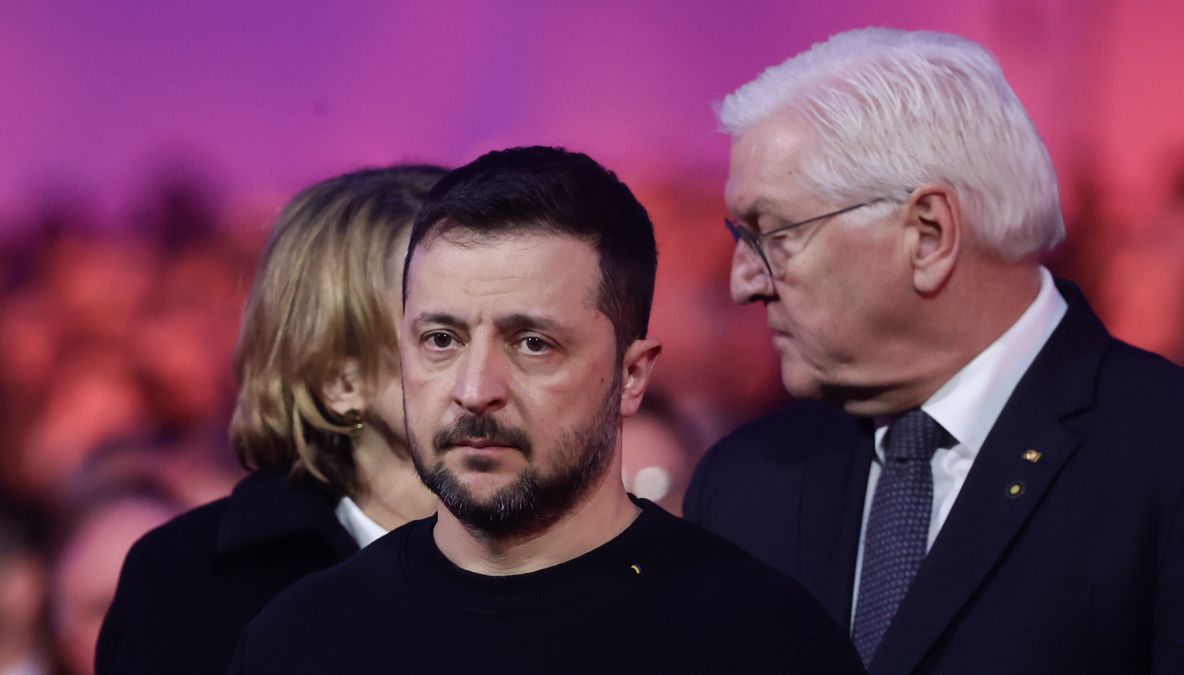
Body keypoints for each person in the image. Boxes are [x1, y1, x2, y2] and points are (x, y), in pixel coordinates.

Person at [229, 146, 866, 674]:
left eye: (533, 344)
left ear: (631, 376)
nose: (475, 388)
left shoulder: (761, 643)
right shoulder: (298, 642)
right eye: (442, 340)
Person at [684, 28, 1184, 675]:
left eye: (773, 234)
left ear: (927, 234)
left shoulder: (1178, 457)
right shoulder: (743, 483)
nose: (742, 283)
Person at [95, 164, 446, 675]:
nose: (488, 367)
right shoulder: (186, 585)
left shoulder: (563, 557)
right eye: (442, 335)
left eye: (520, 331)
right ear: (339, 379)